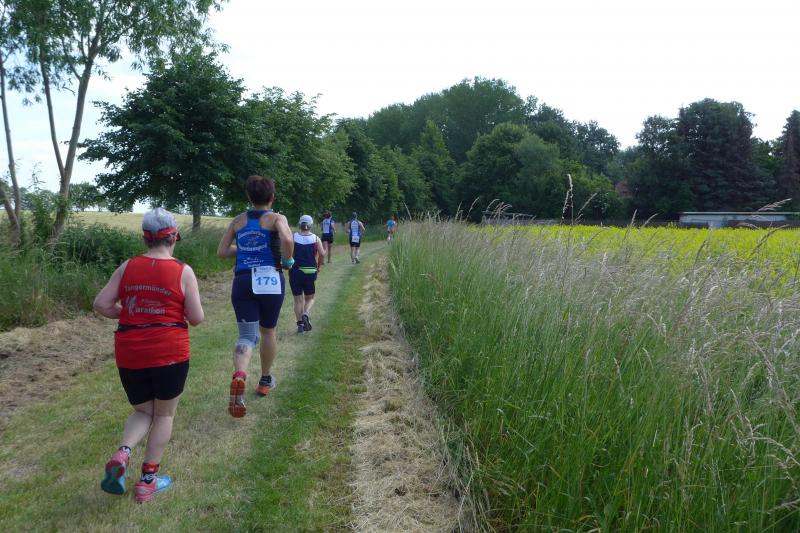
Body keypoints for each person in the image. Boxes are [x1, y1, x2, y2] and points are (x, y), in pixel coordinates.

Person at [94, 208, 204, 504]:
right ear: (174, 237)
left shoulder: (128, 267)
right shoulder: (183, 271)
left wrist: (129, 313)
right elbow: (196, 318)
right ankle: (147, 482)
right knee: (164, 414)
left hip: (130, 350)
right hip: (169, 351)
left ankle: (123, 452)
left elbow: (101, 304)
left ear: (145, 238)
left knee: (143, 411)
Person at [217, 175, 294, 418]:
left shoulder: (237, 221)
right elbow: (287, 238)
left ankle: (240, 375)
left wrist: (245, 248)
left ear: (249, 197)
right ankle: (265, 380)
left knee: (247, 336)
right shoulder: (277, 218)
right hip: (270, 278)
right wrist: (288, 261)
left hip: (242, 281)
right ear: (272, 197)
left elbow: (222, 251)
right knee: (268, 331)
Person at [290, 215, 326, 334]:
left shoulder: (293, 237)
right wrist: (318, 266)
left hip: (295, 271)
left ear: (299, 224)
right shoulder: (316, 238)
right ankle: (305, 313)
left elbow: (289, 253)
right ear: (310, 225)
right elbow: (322, 254)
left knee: (298, 300)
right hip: (310, 272)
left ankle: (300, 326)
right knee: (310, 298)